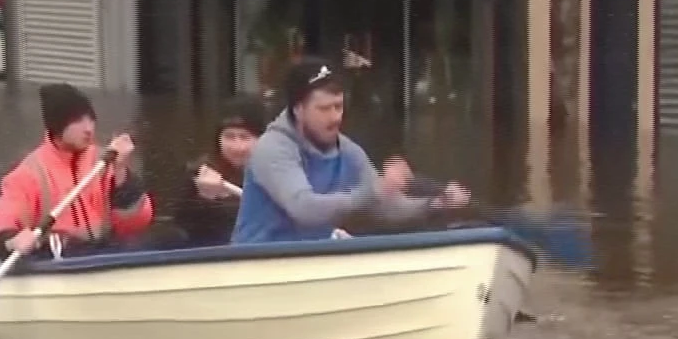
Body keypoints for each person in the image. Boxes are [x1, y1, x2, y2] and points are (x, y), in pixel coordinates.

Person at [231, 57, 470, 245]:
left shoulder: (348, 151)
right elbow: (304, 209)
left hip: (313, 261)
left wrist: (436, 204)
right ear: (298, 110)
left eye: (339, 106)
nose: (335, 117)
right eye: (324, 108)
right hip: (259, 259)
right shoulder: (272, 148)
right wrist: (373, 191)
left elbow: (386, 208)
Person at [0, 83, 155, 260]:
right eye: (78, 121)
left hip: (104, 254)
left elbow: (136, 224)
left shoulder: (104, 161)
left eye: (90, 119)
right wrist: (12, 241)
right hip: (58, 260)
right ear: (57, 126)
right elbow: (1, 222)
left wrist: (120, 171)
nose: (88, 128)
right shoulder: (28, 174)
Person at [171, 97, 265, 247]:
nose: (237, 146)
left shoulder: (282, 171)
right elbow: (184, 230)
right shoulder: (200, 173)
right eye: (229, 136)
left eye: (245, 137)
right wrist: (205, 199)